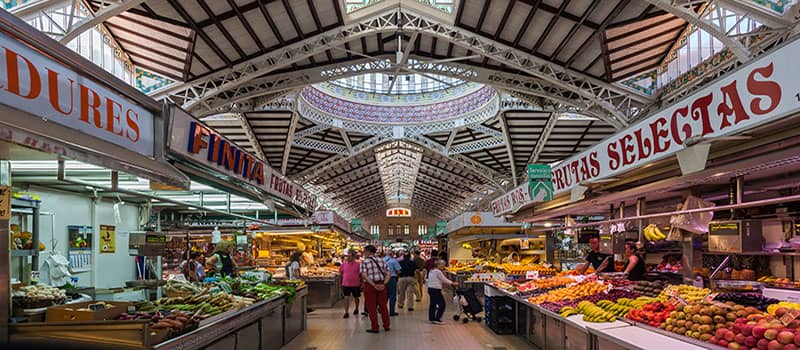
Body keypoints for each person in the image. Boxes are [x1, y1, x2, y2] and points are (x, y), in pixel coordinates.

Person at [360, 245, 390, 333]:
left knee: (371, 307)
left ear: (368, 252)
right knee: (383, 306)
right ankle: (386, 326)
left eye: (364, 251)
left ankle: (375, 327)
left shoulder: (364, 262)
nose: (364, 253)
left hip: (370, 286)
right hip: (381, 284)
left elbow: (364, 275)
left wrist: (373, 285)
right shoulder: (382, 260)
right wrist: (384, 284)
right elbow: (388, 273)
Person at [427, 259, 457, 324]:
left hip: (430, 289)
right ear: (438, 265)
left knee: (433, 304)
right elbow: (444, 280)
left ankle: (432, 318)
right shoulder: (438, 272)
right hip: (435, 290)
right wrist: (452, 283)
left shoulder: (431, 270)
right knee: (442, 304)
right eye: (443, 265)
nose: (444, 267)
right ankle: (437, 319)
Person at [339, 250, 361, 318]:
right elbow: (341, 273)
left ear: (354, 257)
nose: (348, 257)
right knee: (346, 297)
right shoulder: (343, 264)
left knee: (356, 297)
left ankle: (356, 308)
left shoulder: (358, 265)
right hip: (346, 284)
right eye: (347, 256)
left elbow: (360, 275)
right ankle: (346, 312)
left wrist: (361, 283)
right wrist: (341, 281)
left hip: (355, 284)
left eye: (350, 256)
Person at [383, 251, 402, 316]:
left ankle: (382, 309)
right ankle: (392, 311)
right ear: (391, 254)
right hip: (391, 279)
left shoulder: (382, 260)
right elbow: (398, 271)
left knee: (385, 295)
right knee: (392, 295)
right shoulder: (393, 261)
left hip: (383, 279)